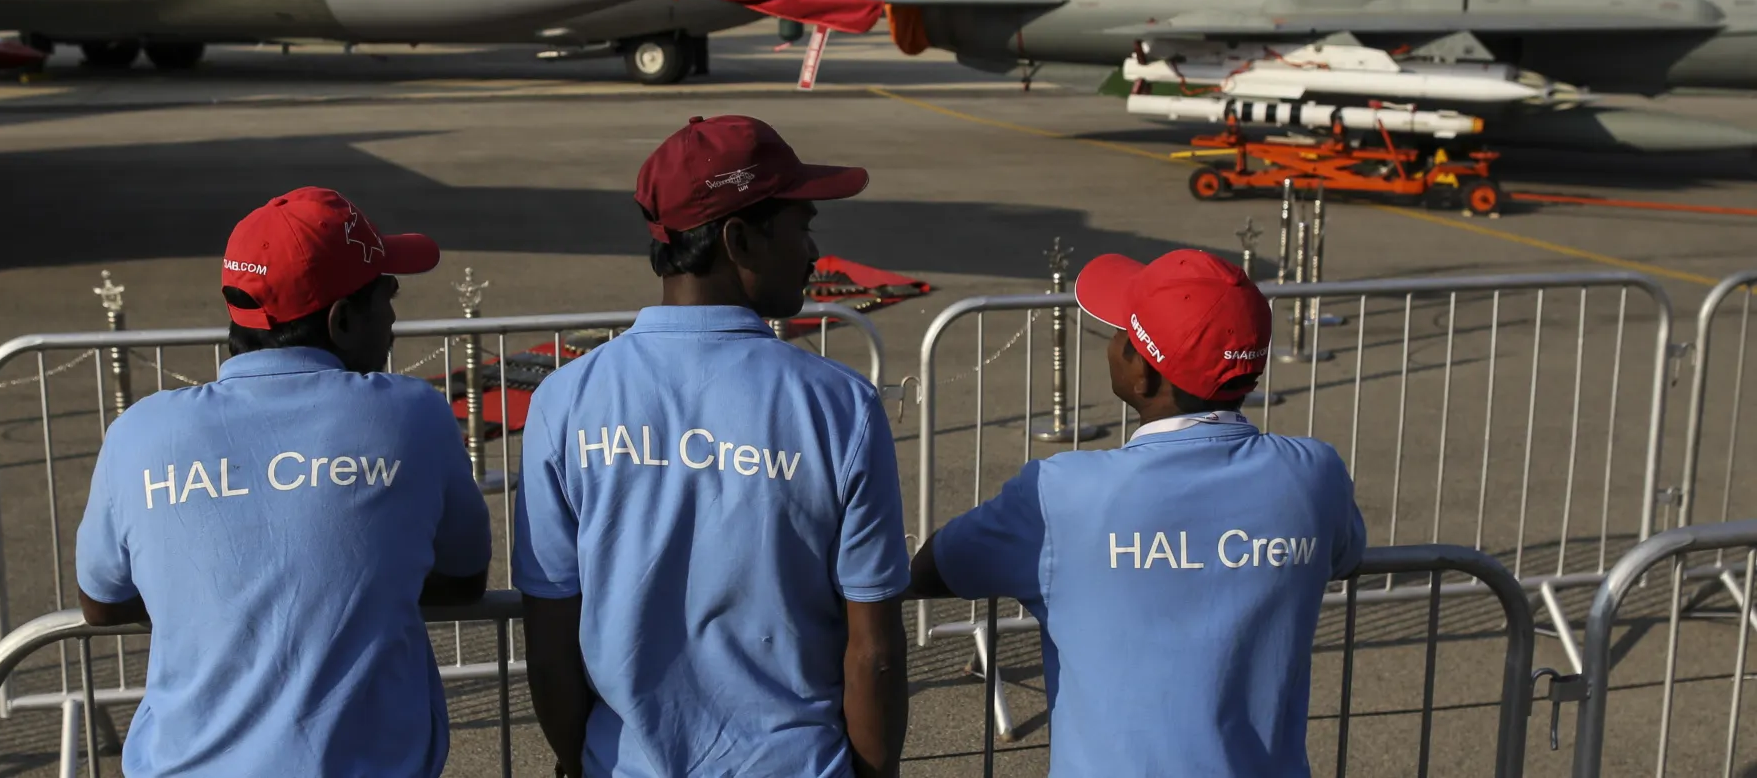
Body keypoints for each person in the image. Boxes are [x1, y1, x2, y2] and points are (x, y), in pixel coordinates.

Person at [513, 115, 910, 778]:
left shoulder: (567, 400)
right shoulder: (839, 405)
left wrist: (575, 757)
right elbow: (874, 652)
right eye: (802, 226)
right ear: (739, 239)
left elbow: (551, 642)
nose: (813, 253)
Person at [75, 187, 493, 778]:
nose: (395, 317)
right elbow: (463, 576)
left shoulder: (140, 433)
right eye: (387, 295)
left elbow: (102, 602)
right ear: (343, 320)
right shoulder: (411, 415)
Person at [910, 249, 1367, 778]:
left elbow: (935, 568)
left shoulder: (1062, 492)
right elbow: (1345, 556)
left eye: (1122, 334)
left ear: (1145, 376)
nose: (1111, 345)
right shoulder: (1314, 475)